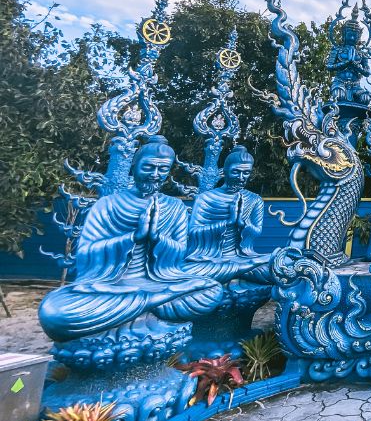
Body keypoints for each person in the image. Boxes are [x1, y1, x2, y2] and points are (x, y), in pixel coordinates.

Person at [39, 136, 222, 343]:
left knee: (211, 290)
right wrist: (133, 237)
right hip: (110, 285)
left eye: (162, 170)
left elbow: (180, 253)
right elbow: (86, 253)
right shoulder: (107, 205)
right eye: (149, 167)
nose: (155, 175)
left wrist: (156, 238)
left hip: (159, 281)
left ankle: (142, 303)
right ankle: (149, 303)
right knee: (54, 312)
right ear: (134, 167)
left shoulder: (175, 207)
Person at [185, 145, 271, 283]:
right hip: (211, 259)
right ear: (225, 171)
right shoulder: (206, 198)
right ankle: (238, 269)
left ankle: (237, 269)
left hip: (243, 257)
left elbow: (256, 232)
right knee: (189, 270)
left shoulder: (255, 200)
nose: (241, 177)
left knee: (276, 267)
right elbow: (194, 232)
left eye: (246, 173)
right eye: (236, 172)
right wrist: (228, 223)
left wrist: (244, 224)